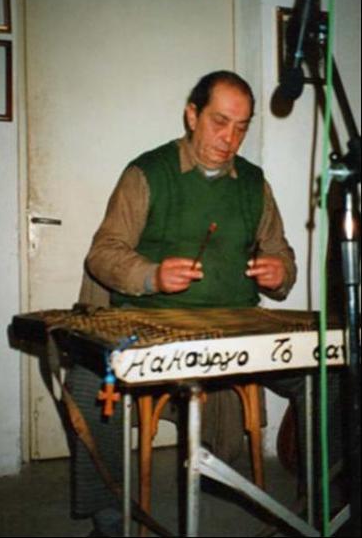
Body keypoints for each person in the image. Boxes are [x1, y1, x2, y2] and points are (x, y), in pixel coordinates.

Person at [66, 71, 342, 537]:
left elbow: (282, 254)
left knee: (333, 372)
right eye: (219, 122)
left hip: (239, 324)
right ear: (192, 115)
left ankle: (331, 497)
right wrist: (152, 274)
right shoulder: (147, 172)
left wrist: (280, 272)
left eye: (241, 127)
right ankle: (109, 516)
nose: (229, 138)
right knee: (88, 378)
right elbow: (104, 253)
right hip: (154, 321)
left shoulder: (253, 183)